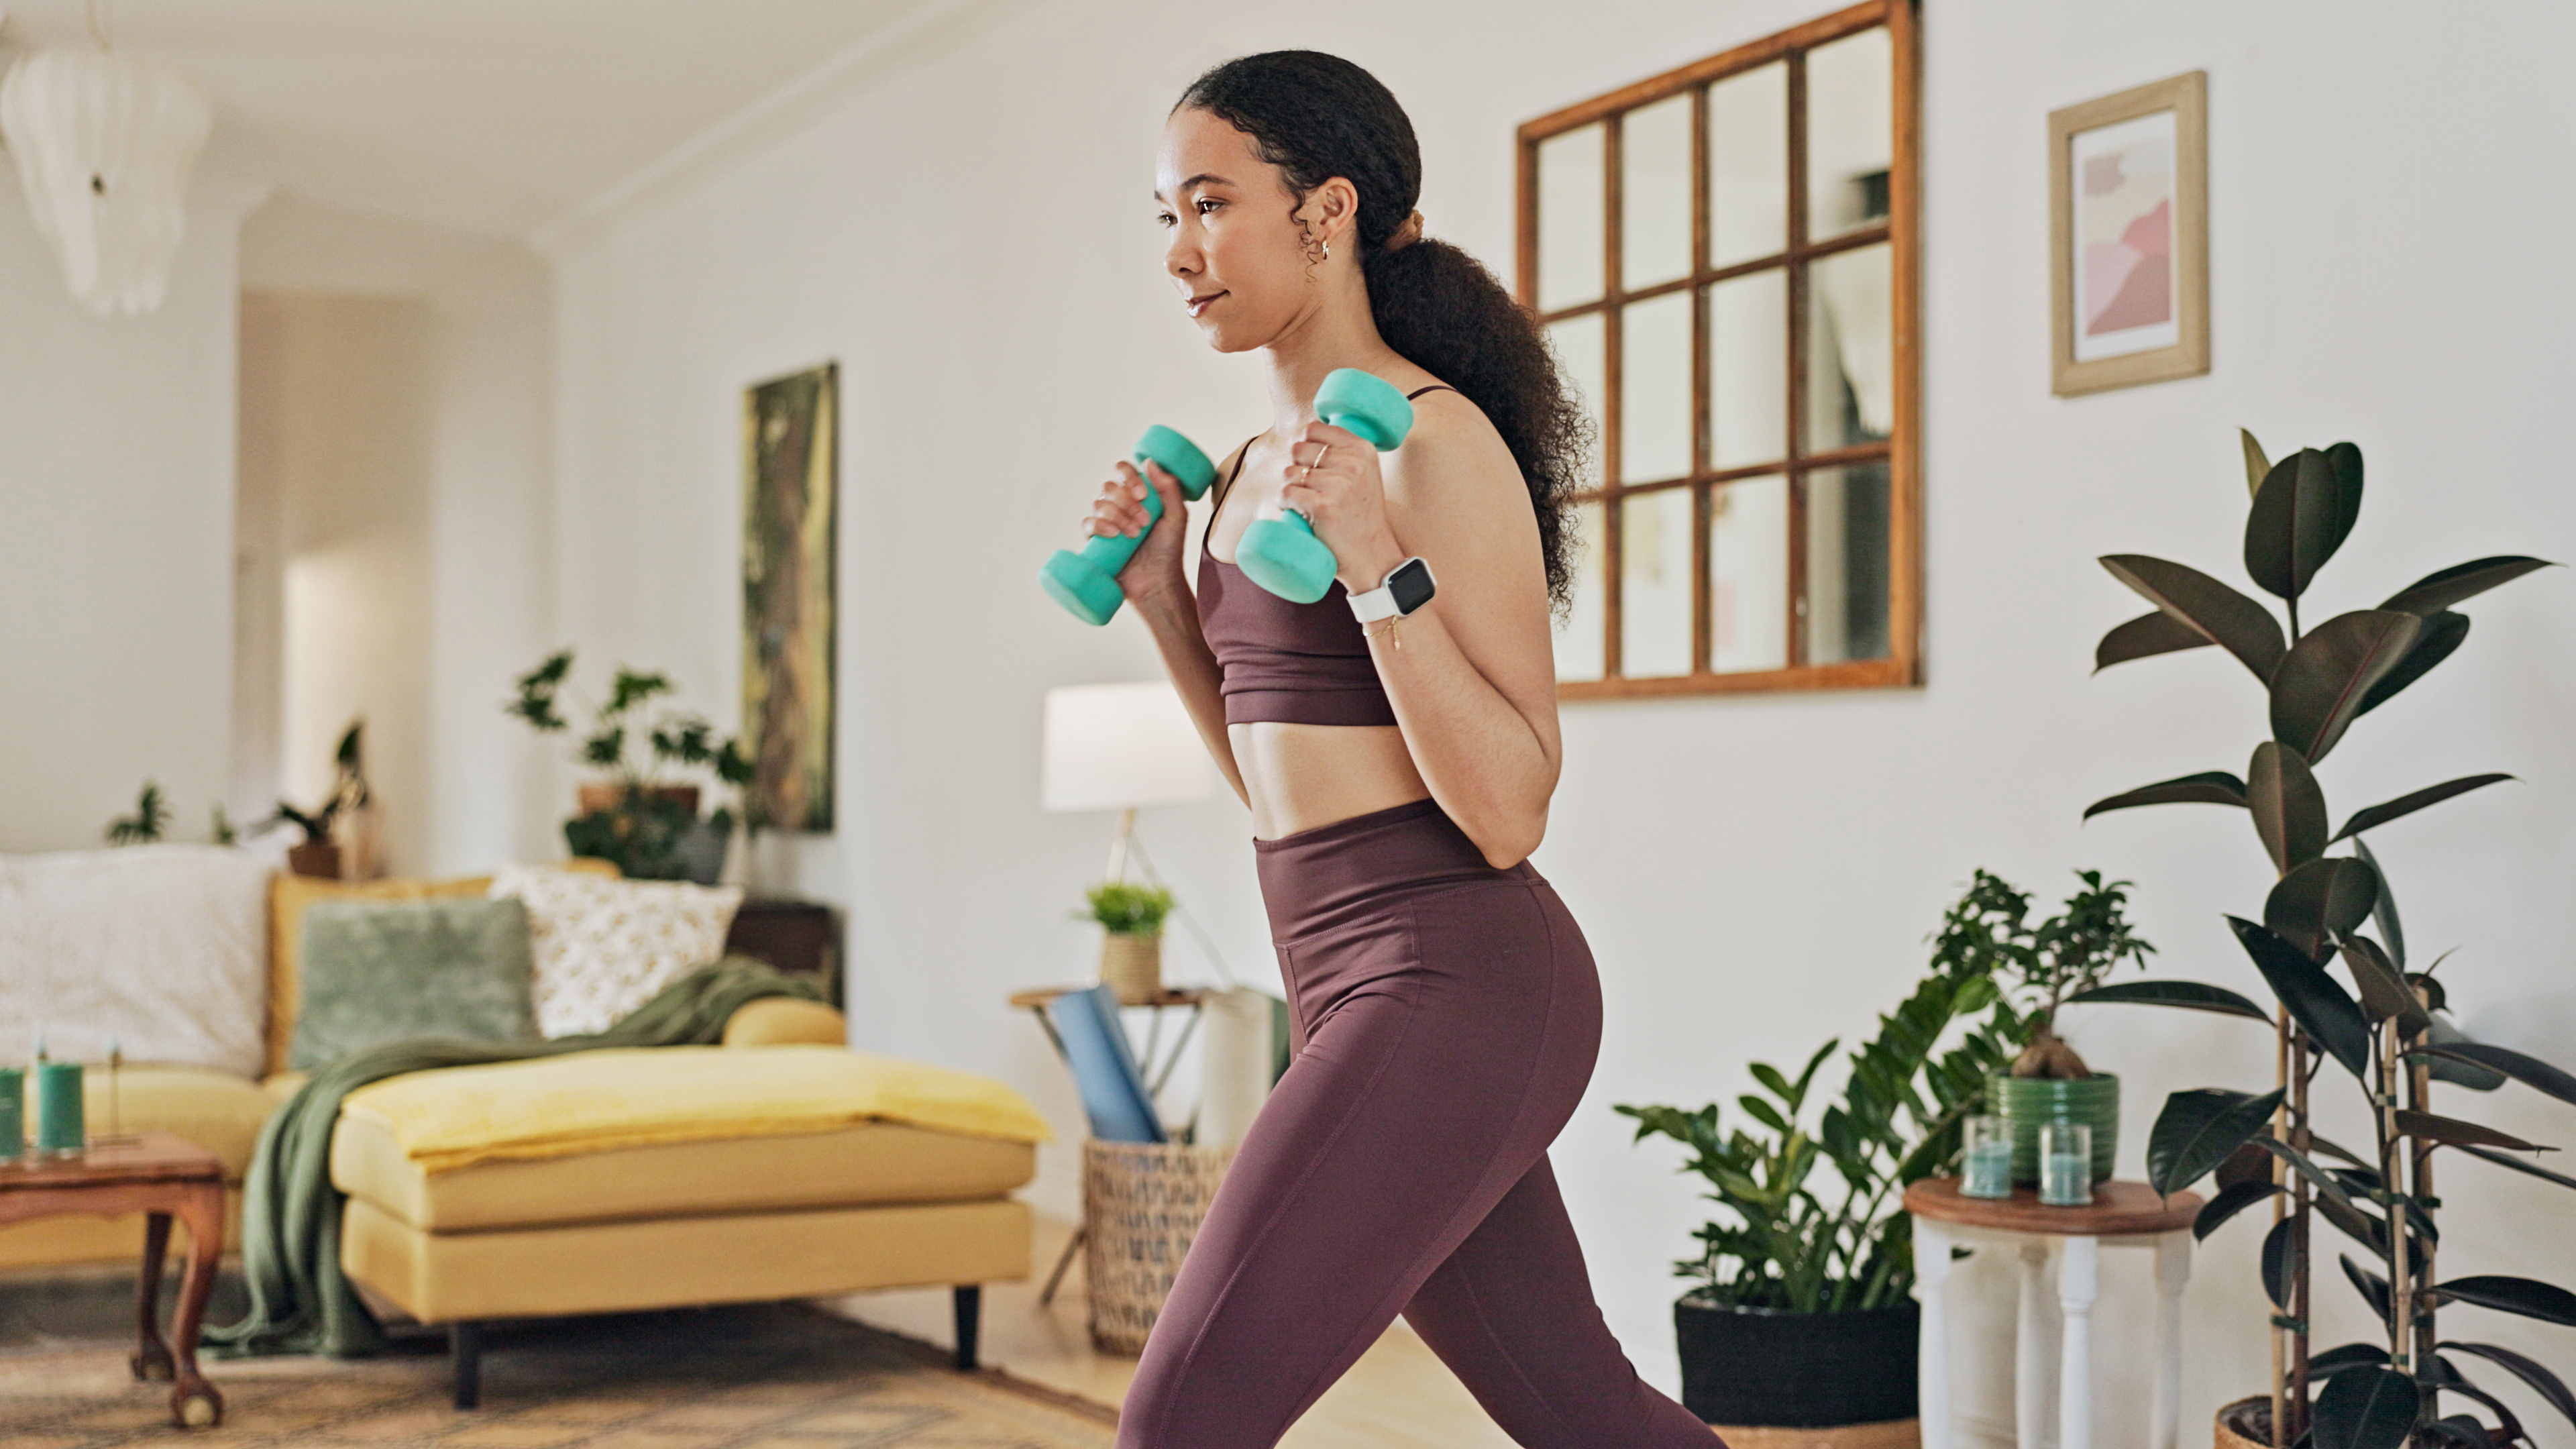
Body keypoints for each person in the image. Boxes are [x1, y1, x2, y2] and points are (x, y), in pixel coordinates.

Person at [1073, 50, 1718, 1449]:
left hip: (1459, 975)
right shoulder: (1258, 472)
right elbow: (1277, 792)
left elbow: (1509, 812)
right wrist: (1166, 604)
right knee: (1583, 1413)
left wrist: (1379, 569)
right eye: (1167, 217)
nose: (1182, 254)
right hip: (1335, 963)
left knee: (1180, 1418)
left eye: (1210, 205)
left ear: (1325, 212)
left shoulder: (1436, 443)